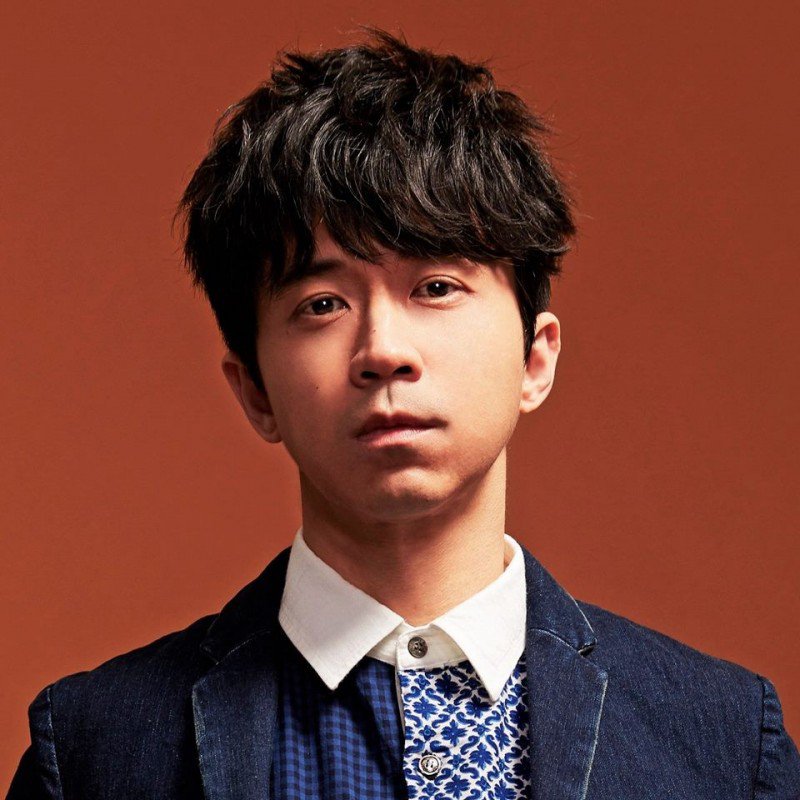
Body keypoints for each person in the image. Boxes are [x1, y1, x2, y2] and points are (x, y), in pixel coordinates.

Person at [7, 26, 800, 800]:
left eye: (436, 287)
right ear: (254, 391)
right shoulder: (94, 751)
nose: (383, 350)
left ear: (536, 357)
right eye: (322, 304)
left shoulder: (725, 745)